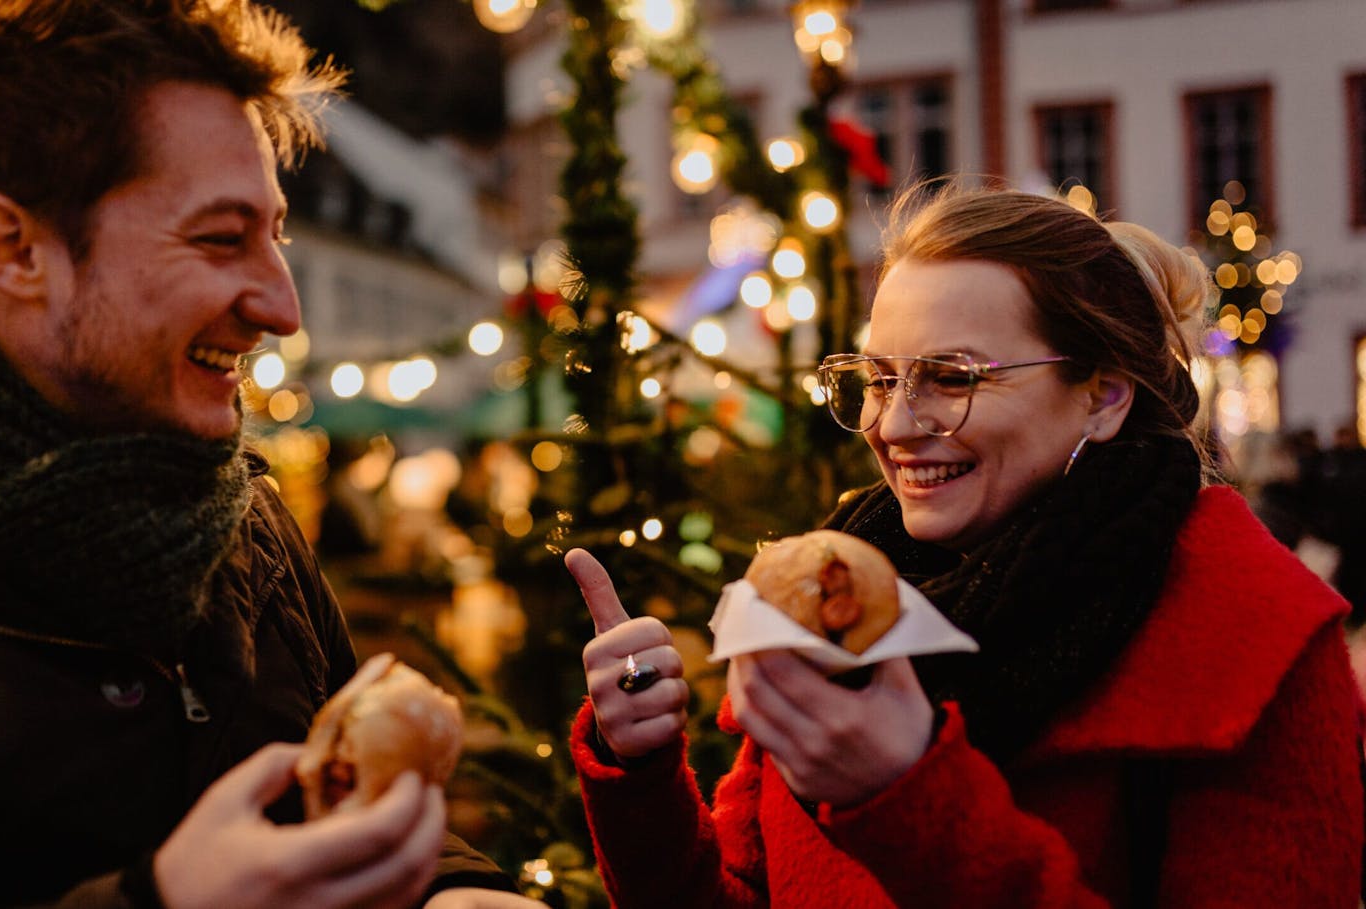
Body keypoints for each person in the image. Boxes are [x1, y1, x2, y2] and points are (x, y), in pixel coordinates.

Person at [0, 2, 544, 907]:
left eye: (275, 232)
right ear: (12, 248)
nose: (284, 307)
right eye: (219, 237)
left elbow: (341, 810)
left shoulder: (239, 515)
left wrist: (450, 890)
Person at [564, 184, 1364, 906]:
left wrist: (910, 796)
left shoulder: (1255, 642)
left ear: (1103, 396)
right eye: (879, 378)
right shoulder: (834, 596)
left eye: (952, 377)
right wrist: (639, 773)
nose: (894, 424)